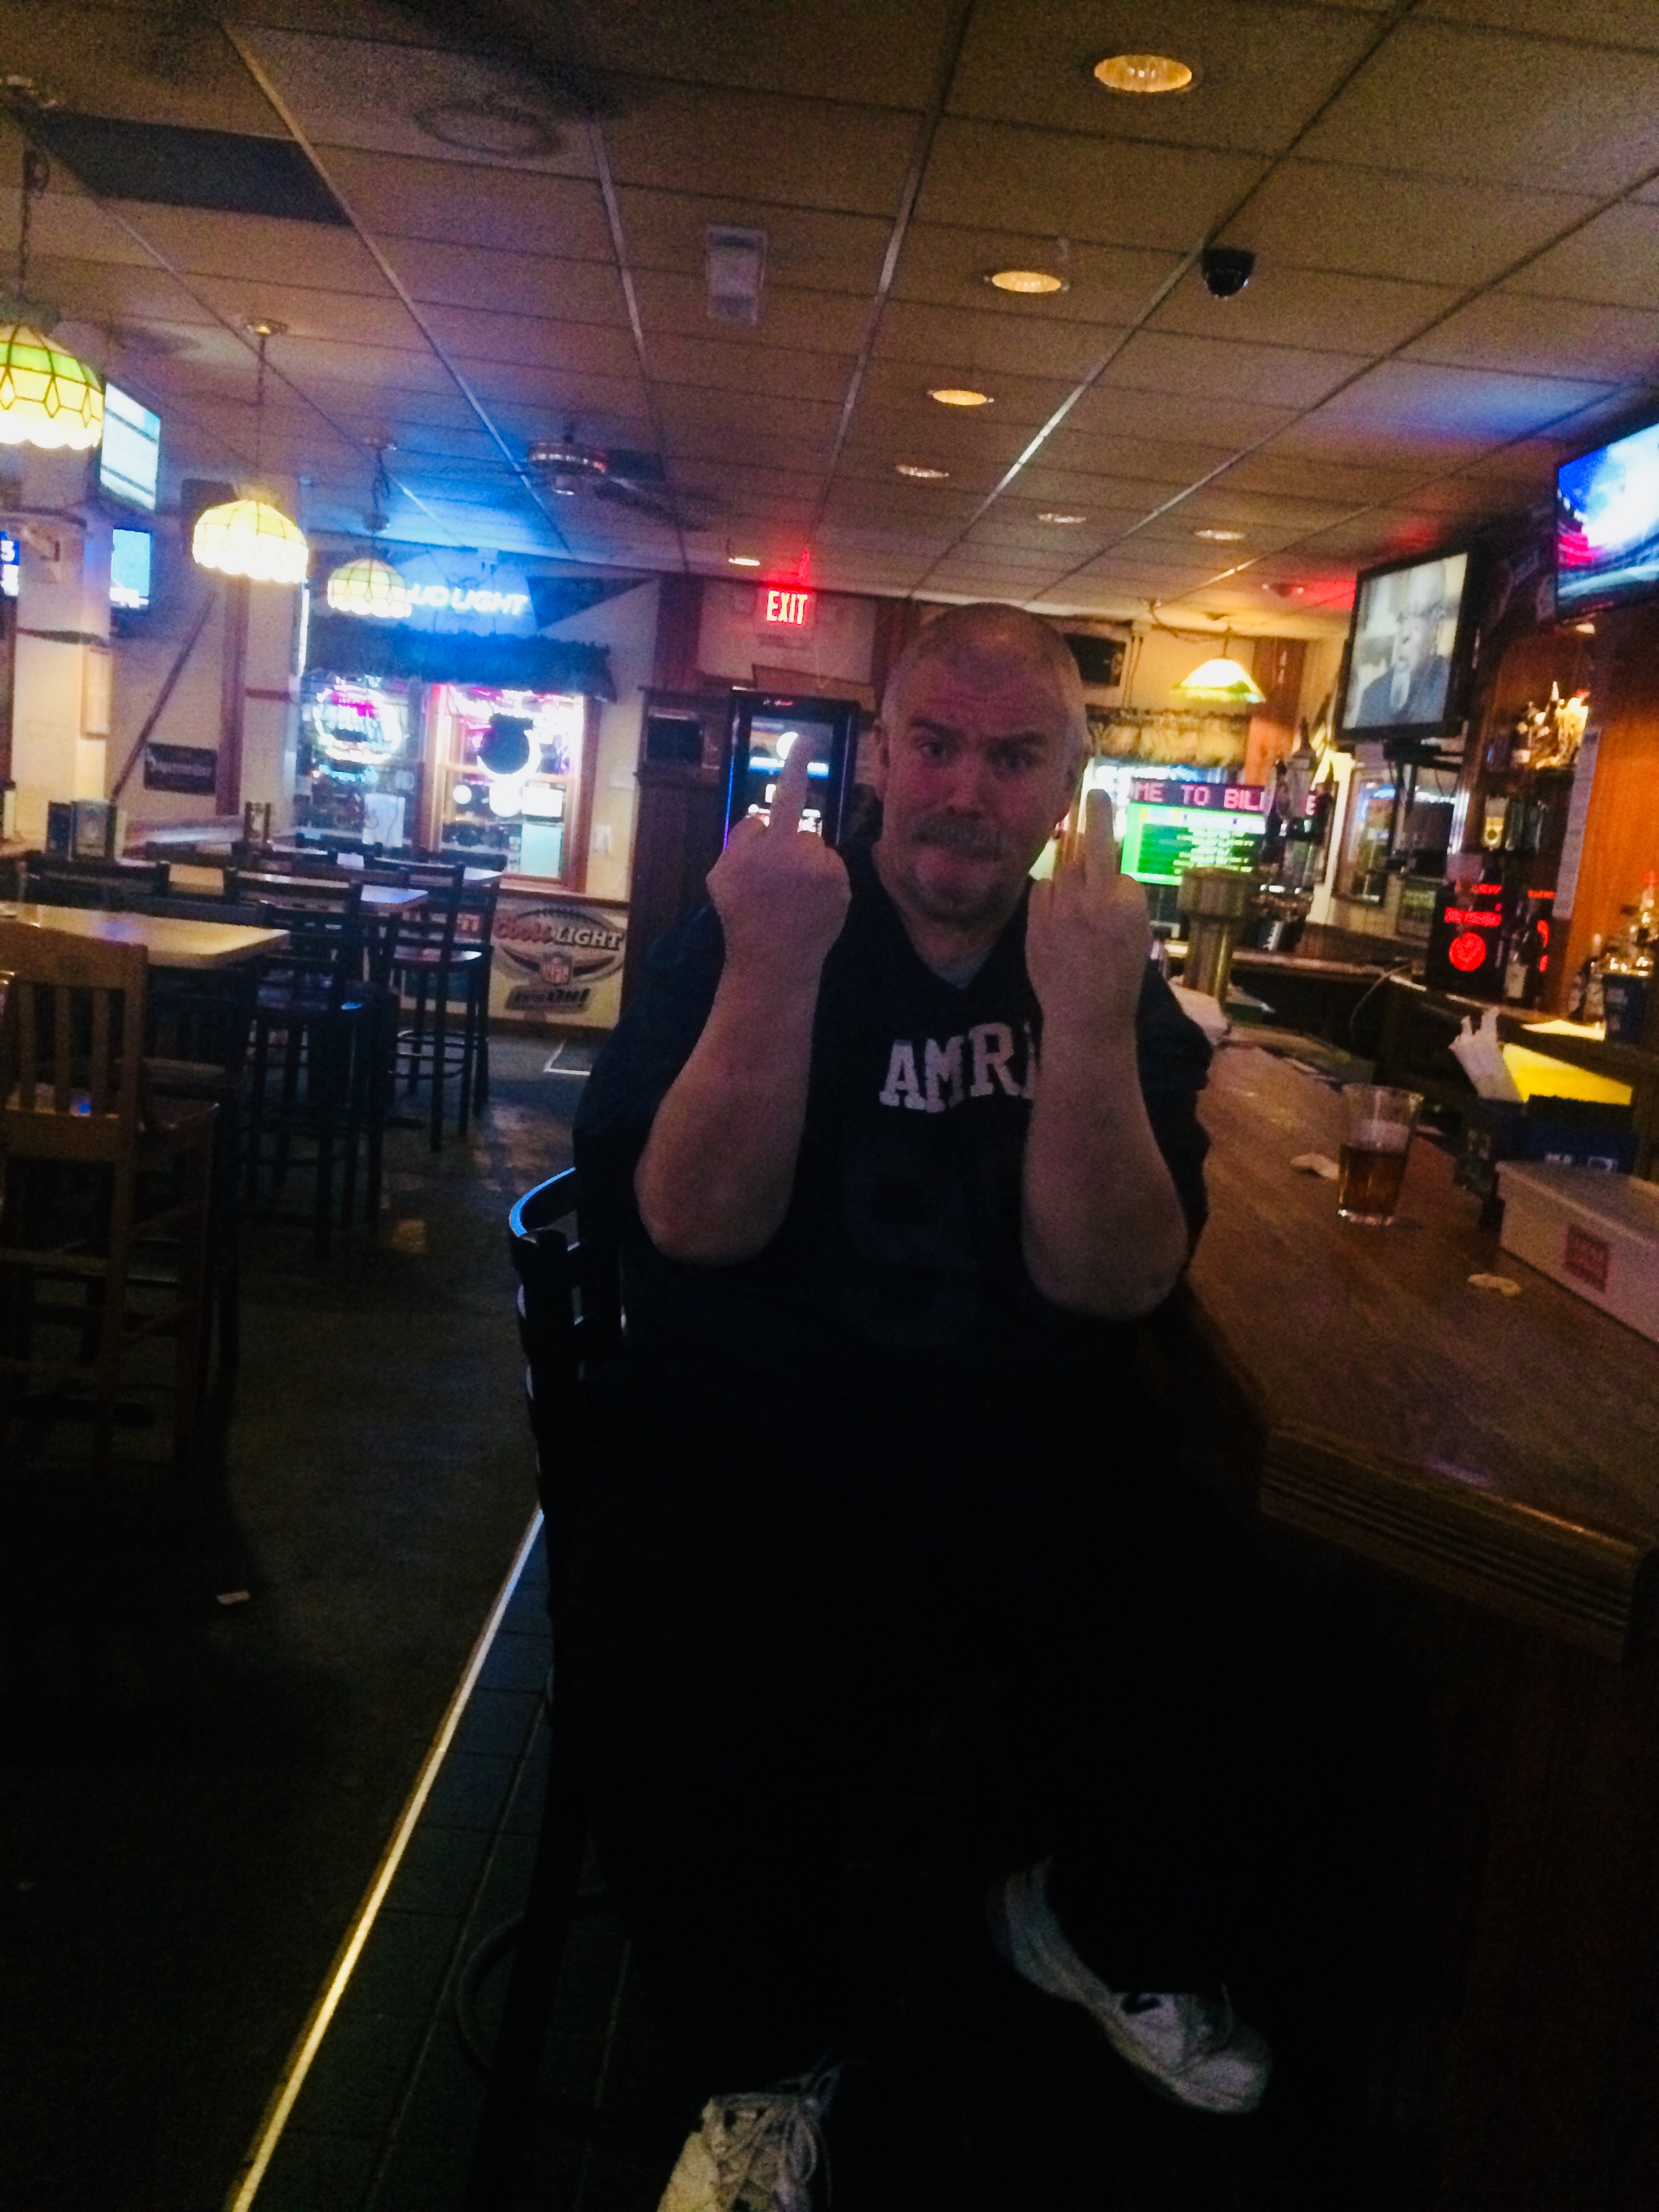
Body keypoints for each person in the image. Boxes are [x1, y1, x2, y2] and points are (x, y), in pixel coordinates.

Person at [571, 604, 1332, 2211]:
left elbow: (1113, 1277)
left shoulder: (1096, 963)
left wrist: (1077, 1019)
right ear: (875, 755)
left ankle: (1079, 1928)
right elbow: (691, 1224)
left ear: (1067, 783)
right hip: (750, 1449)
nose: (962, 790)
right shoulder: (758, 917)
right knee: (672, 1663)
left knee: (1248, 1642)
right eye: (930, 742)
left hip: (1021, 1459)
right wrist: (772, 969)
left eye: (1011, 755)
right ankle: (767, 2062)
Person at [1353, 560, 1452, 727]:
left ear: (1437, 625)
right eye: (1403, 617)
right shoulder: (1373, 697)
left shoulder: (1449, 690)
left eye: (1417, 616)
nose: (1404, 634)